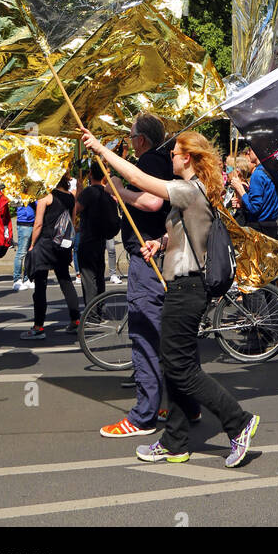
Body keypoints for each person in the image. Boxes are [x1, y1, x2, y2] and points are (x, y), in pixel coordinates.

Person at [82, 126, 259, 467]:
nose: (171, 158)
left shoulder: (188, 190)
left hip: (187, 288)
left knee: (180, 368)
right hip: (182, 285)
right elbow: (191, 233)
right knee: (178, 366)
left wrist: (104, 153)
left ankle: (238, 422)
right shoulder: (197, 192)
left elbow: (140, 179)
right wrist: (160, 243)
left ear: (188, 158)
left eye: (175, 154)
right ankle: (175, 441)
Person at [96, 117, 172, 439]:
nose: (128, 143)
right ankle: (178, 403)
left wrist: (120, 190)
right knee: (166, 336)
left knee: (144, 335)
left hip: (149, 260)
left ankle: (143, 416)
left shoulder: (151, 160)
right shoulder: (161, 160)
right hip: (160, 254)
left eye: (130, 138)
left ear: (141, 140)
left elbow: (152, 202)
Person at [21, 173, 80, 338]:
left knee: (40, 285)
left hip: (45, 245)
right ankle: (76, 321)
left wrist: (32, 244)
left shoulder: (46, 197)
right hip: (62, 245)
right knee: (65, 281)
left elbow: (38, 223)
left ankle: (38, 327)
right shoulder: (70, 197)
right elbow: (73, 221)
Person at [229, 150, 278, 293]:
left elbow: (255, 208)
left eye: (250, 150)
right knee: (270, 272)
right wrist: (243, 201)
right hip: (271, 225)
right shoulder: (273, 172)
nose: (248, 153)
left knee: (255, 276)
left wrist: (240, 190)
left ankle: (259, 313)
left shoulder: (258, 175)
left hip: (258, 227)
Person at [75, 163, 118, 306]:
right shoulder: (107, 192)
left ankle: (91, 313)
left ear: (91, 174)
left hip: (88, 239)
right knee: (99, 276)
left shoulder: (89, 192)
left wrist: (78, 193)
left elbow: (76, 209)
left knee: (88, 279)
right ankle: (100, 309)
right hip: (101, 239)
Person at [13, 200, 36, 290]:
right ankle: (17, 280)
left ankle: (27, 279)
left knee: (30, 253)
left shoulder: (34, 192)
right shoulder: (21, 192)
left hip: (33, 222)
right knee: (21, 253)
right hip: (24, 223)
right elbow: (15, 203)